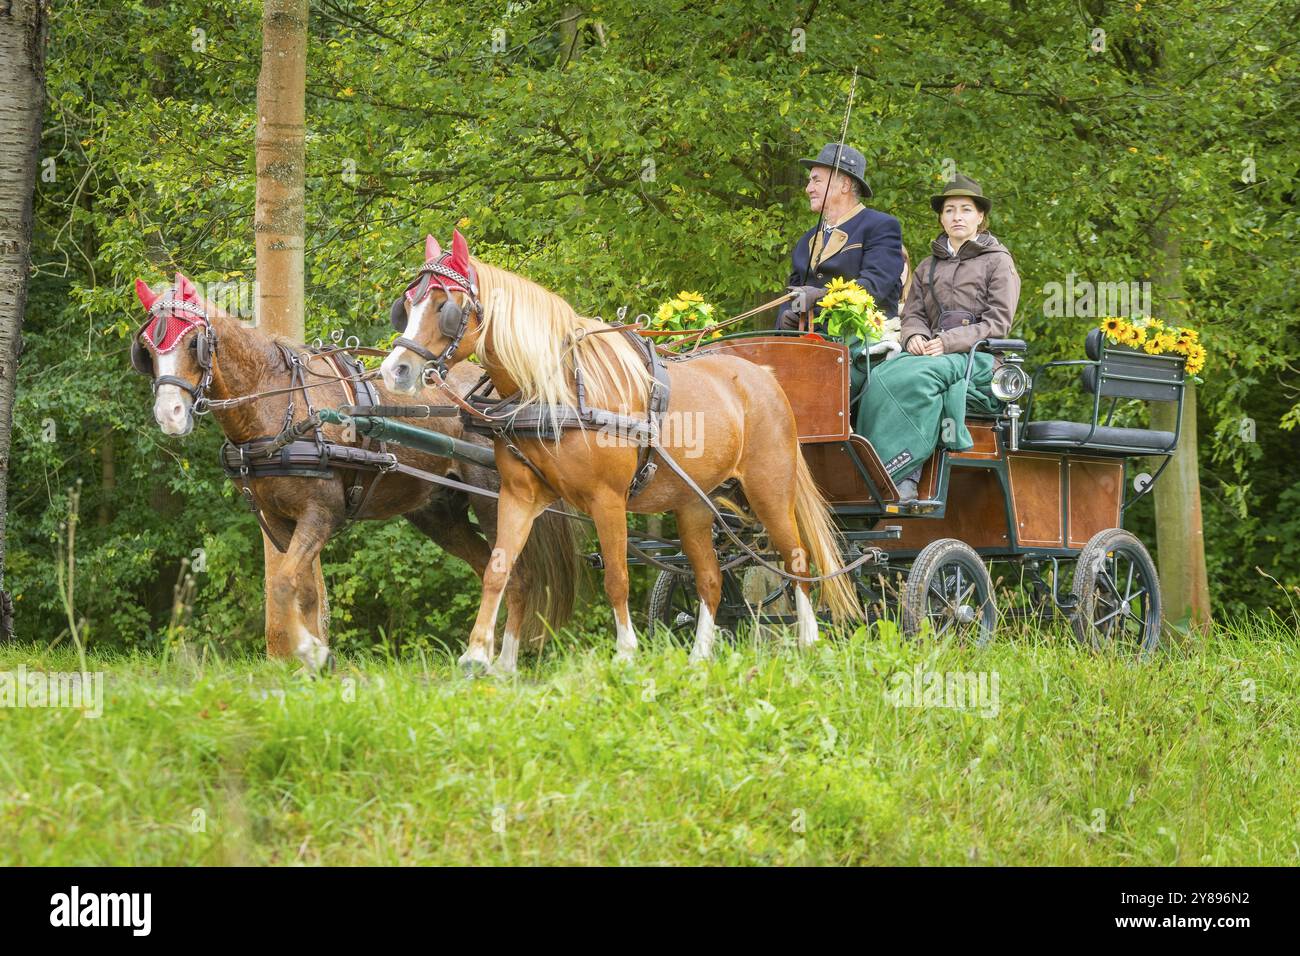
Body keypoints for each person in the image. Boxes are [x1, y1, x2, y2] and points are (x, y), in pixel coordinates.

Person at [857, 174, 1021, 502]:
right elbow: (913, 314)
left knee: (917, 378)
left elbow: (998, 323)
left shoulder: (998, 262)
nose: (956, 216)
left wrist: (949, 342)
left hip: (980, 358)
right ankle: (869, 472)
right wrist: (914, 335)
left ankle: (903, 474)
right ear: (941, 218)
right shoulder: (928, 265)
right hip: (930, 350)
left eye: (965, 210)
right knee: (878, 376)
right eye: (949, 210)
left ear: (980, 218)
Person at [777, 143, 903, 330]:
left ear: (844, 185)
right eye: (809, 181)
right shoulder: (806, 239)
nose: (808, 188)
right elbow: (793, 293)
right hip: (811, 344)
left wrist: (821, 296)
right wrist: (787, 318)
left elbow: (873, 286)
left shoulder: (881, 227)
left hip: (863, 342)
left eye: (816, 180)